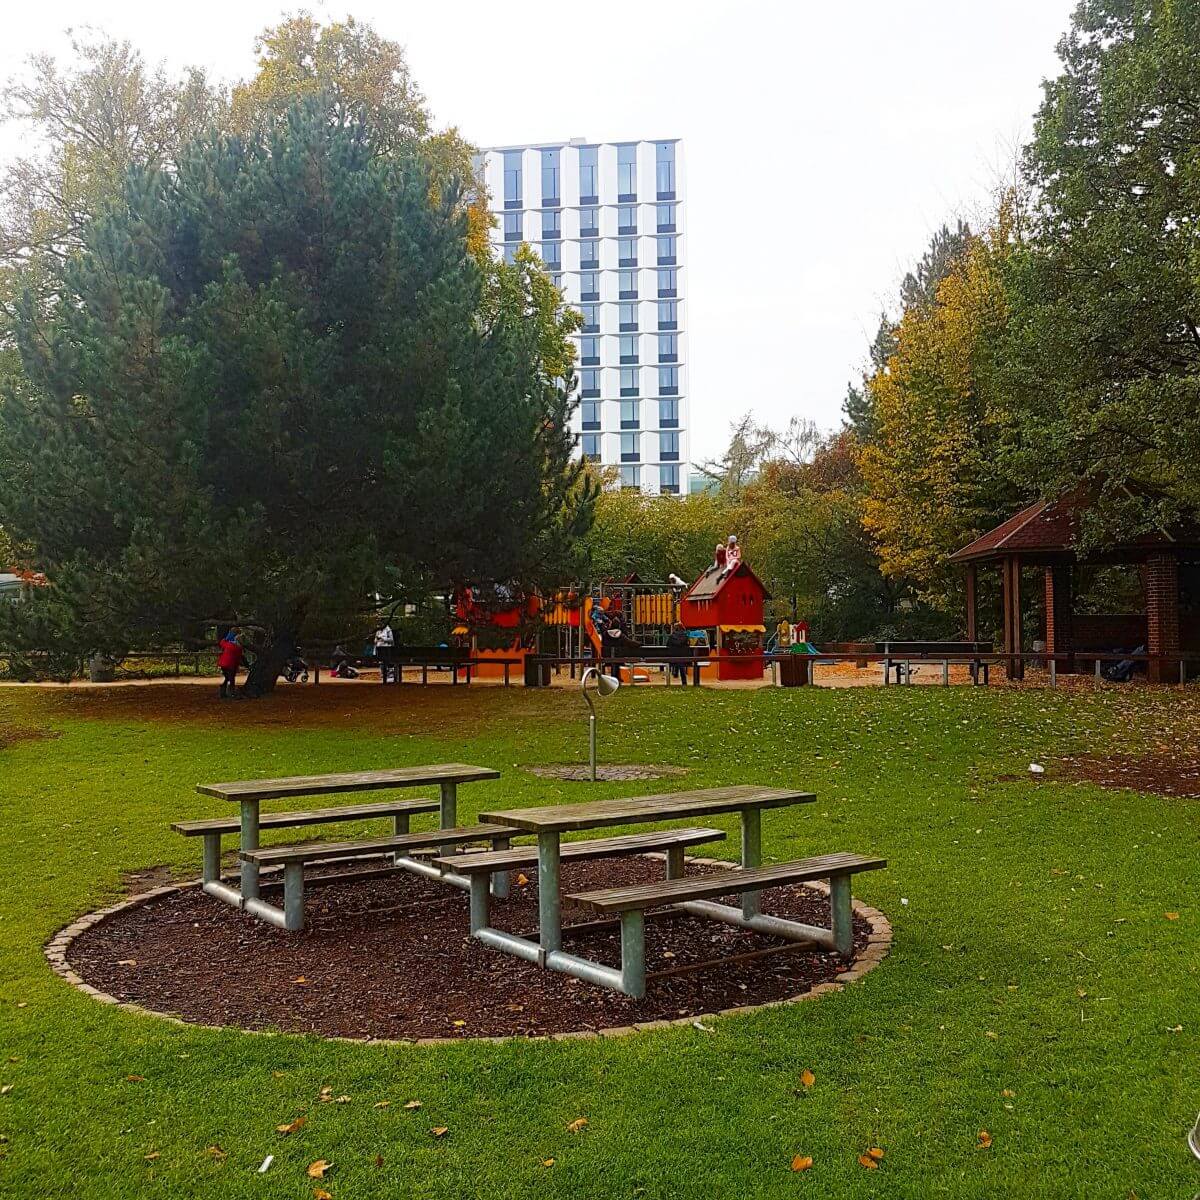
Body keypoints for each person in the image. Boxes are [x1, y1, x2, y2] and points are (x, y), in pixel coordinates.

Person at [217, 626, 244, 699]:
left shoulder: (226, 643)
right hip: (230, 664)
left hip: (223, 664)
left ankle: (222, 692)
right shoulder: (237, 647)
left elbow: (222, 642)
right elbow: (239, 657)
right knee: (231, 679)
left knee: (227, 678)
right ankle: (231, 694)